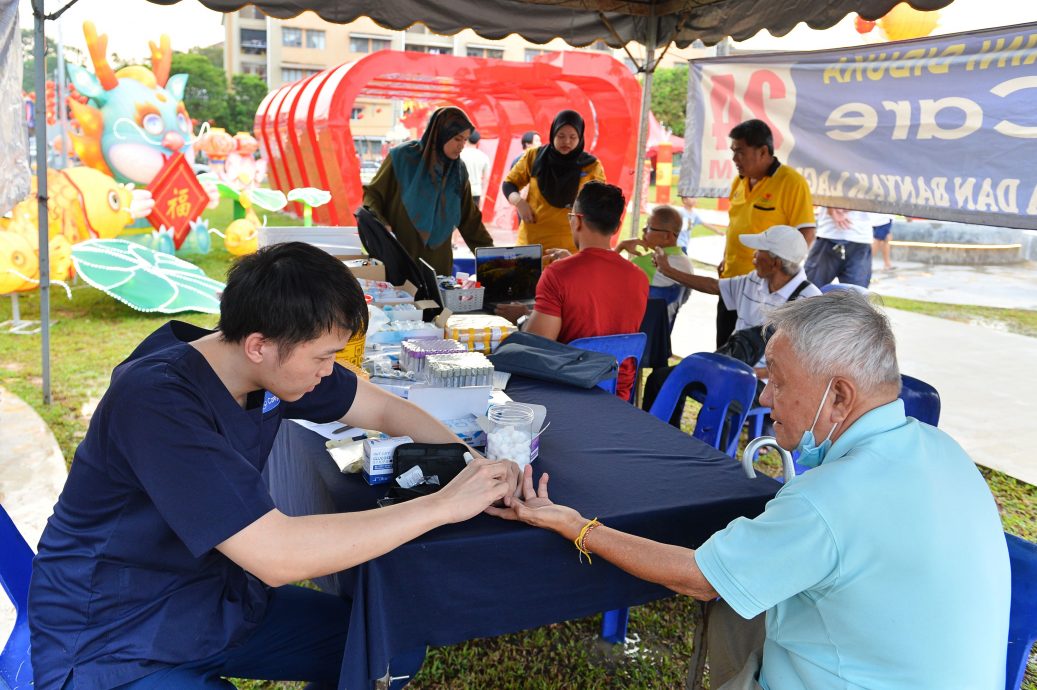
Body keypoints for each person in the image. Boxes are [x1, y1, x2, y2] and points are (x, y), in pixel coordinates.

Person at [28, 242, 519, 690]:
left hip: (213, 601)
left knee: (386, 645)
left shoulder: (265, 365)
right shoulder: (155, 402)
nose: (330, 372)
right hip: (112, 636)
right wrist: (442, 506)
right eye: (324, 358)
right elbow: (279, 557)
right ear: (258, 344)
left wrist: (470, 466)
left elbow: (386, 409)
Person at [491, 289, 1011, 690]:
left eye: (779, 381)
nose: (766, 395)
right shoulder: (944, 451)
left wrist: (575, 524)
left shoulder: (828, 500)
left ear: (840, 396)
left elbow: (700, 578)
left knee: (727, 600)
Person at [642, 225, 820, 420]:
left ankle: (710, 450)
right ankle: (665, 441)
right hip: (730, 367)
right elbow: (713, 286)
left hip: (766, 382)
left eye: (759, 252)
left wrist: (756, 372)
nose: (753, 255)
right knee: (661, 380)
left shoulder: (810, 301)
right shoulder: (754, 280)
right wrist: (667, 270)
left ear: (775, 263)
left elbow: (809, 364)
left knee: (720, 408)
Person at [496, 181, 648, 400]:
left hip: (568, 390)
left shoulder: (558, 274)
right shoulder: (639, 278)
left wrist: (523, 317)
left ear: (577, 220)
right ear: (616, 227)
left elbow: (537, 346)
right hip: (618, 393)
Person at [719, 119, 815, 348]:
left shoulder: (791, 182)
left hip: (762, 290)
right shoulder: (739, 182)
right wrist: (726, 257)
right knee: (723, 352)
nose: (735, 159)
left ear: (763, 151)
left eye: (740, 152)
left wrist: (781, 275)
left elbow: (806, 233)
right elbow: (735, 224)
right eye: (733, 152)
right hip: (731, 283)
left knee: (756, 360)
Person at [363, 106, 493, 275]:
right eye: (457, 139)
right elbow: (373, 194)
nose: (461, 146)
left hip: (438, 262)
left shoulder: (458, 171)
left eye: (465, 140)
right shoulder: (403, 157)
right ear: (441, 134)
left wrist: (492, 257)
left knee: (434, 300)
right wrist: (381, 224)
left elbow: (470, 220)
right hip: (400, 254)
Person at [503, 110, 605, 255]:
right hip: (531, 245)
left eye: (573, 137)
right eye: (561, 136)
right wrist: (519, 202)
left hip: (570, 249)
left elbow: (600, 203)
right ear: (552, 134)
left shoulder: (592, 166)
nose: (566, 141)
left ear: (581, 137)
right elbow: (509, 184)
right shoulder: (534, 157)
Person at [614, 204, 694, 322]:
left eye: (649, 227)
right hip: (662, 335)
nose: (643, 230)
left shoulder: (644, 263)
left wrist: (620, 247)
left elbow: (607, 282)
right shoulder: (687, 264)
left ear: (667, 236)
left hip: (633, 332)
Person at [804, 207, 875, 288]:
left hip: (860, 236)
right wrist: (831, 205)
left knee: (857, 296)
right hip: (829, 233)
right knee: (809, 291)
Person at [459, 129, 491, 209]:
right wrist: (482, 197)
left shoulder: (459, 154)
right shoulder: (484, 157)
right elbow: (486, 179)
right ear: (478, 141)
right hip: (476, 192)